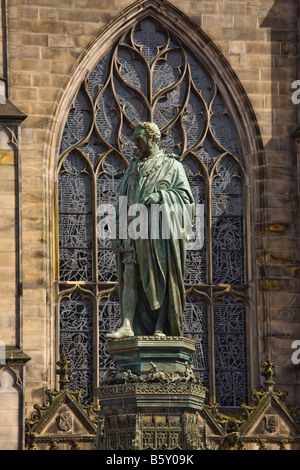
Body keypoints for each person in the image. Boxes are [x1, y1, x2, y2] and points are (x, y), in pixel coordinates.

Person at [107, 122, 194, 339]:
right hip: (133, 229)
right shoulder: (133, 167)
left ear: (153, 139)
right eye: (135, 139)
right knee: (129, 275)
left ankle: (160, 326)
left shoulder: (171, 165)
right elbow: (122, 201)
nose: (135, 143)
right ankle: (127, 324)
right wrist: (117, 231)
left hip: (159, 232)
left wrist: (161, 197)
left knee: (162, 276)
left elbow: (185, 199)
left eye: (139, 139)